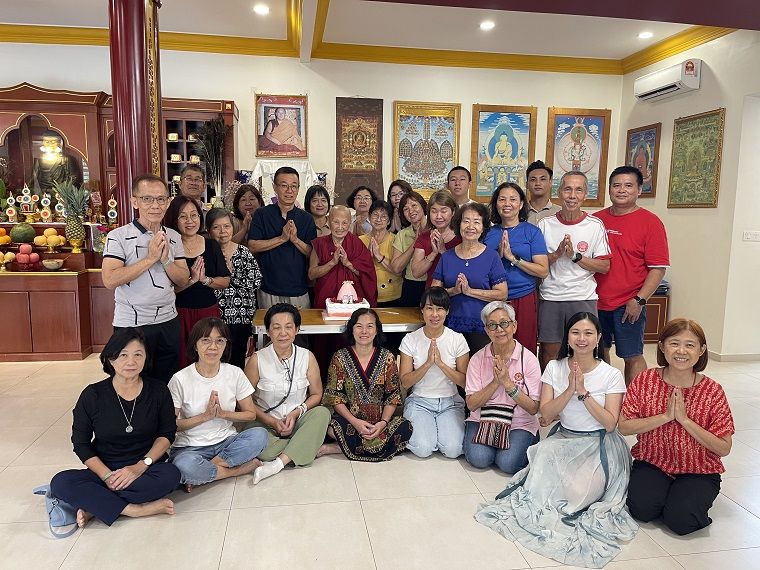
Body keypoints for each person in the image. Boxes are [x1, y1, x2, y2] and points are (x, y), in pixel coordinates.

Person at [474, 312, 636, 568]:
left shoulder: (611, 374)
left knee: (575, 498)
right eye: (575, 333)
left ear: (598, 338)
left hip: (598, 444)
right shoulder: (554, 367)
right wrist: (570, 389)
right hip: (563, 439)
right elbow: (546, 414)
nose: (581, 339)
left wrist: (583, 392)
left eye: (588, 333)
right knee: (538, 494)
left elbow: (609, 424)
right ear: (567, 338)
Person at [50, 328, 181, 528]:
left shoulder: (158, 390)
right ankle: (134, 510)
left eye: (138, 355)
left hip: (146, 467)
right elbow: (81, 444)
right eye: (123, 355)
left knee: (171, 475)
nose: (131, 361)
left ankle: (96, 505)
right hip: (104, 469)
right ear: (110, 359)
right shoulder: (92, 395)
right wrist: (107, 476)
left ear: (146, 358)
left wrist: (139, 467)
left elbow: (166, 434)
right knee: (60, 482)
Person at [619, 318, 734, 536]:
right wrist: (665, 416)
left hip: (699, 470)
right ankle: (669, 494)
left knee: (682, 522)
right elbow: (624, 427)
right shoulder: (645, 380)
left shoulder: (713, 391)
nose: (681, 351)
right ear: (662, 347)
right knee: (641, 510)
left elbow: (724, 447)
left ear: (701, 350)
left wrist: (685, 420)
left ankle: (680, 499)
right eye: (674, 343)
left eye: (690, 345)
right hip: (653, 462)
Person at [102, 174, 189, 384]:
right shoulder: (118, 236)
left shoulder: (174, 237)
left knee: (166, 381)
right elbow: (110, 279)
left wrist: (166, 260)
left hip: (168, 320)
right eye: (147, 199)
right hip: (132, 323)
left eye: (161, 199)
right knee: (131, 380)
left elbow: (183, 279)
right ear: (135, 201)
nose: (155, 205)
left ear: (168, 202)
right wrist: (150, 259)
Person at [168, 318, 268, 490]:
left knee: (260, 435)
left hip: (225, 442)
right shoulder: (180, 379)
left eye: (219, 341)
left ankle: (205, 472)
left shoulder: (235, 373)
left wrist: (222, 414)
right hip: (190, 447)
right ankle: (235, 471)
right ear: (195, 345)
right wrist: (205, 416)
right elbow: (172, 426)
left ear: (226, 345)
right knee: (183, 465)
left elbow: (250, 414)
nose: (213, 347)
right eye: (206, 340)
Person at [594, 166, 670, 384]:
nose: (621, 190)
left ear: (639, 190)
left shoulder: (650, 222)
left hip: (629, 303)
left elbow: (658, 268)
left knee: (632, 355)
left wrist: (640, 299)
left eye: (628, 185)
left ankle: (636, 400)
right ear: (609, 189)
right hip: (594, 300)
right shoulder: (596, 220)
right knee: (598, 352)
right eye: (616, 185)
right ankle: (605, 396)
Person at [243, 304, 331, 484]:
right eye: (276, 327)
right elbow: (244, 402)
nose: (283, 333)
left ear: (297, 329)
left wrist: (296, 412)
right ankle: (306, 445)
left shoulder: (307, 357)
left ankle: (277, 464)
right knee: (262, 448)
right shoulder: (257, 360)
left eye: (288, 327)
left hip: (297, 420)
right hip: (265, 422)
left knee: (322, 413)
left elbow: (316, 394)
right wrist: (272, 422)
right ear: (268, 331)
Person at [537, 171, 611, 369]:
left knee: (584, 351)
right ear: (559, 192)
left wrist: (576, 256)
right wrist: (557, 254)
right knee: (550, 352)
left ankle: (582, 387)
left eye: (578, 190)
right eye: (567, 189)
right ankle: (550, 388)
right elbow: (538, 264)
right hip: (551, 297)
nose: (572, 196)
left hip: (583, 297)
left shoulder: (595, 225)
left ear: (585, 194)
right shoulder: (545, 224)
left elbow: (604, 266)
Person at [321, 308, 413, 461]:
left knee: (405, 426)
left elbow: (392, 397)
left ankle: (338, 447)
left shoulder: (387, 357)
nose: (364, 331)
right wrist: (356, 423)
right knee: (329, 427)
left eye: (370, 326)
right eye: (359, 326)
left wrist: (382, 423)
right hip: (349, 423)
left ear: (377, 330)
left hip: (379, 425)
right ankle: (372, 447)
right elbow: (335, 398)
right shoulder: (340, 357)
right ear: (352, 329)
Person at [464, 302, 541, 473]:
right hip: (483, 419)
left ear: (514, 326)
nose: (499, 329)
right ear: (486, 330)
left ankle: (526, 441)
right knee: (479, 458)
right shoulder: (477, 359)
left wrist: (507, 383)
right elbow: (471, 404)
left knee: (508, 464)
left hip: (518, 422)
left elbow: (533, 408)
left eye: (504, 323)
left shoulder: (529, 359)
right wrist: (496, 382)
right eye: (492, 325)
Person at [399, 287, 469, 458]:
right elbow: (405, 382)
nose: (435, 314)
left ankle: (438, 432)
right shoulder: (410, 339)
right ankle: (430, 433)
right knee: (423, 449)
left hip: (450, 402)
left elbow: (465, 382)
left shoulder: (457, 339)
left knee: (453, 450)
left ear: (447, 311)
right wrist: (428, 363)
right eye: (429, 308)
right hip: (419, 402)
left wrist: (441, 364)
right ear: (422, 310)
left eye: (440, 309)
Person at [164, 196, 231, 368]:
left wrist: (204, 280)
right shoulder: (169, 247)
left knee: (209, 359)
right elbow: (167, 289)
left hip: (208, 313)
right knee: (182, 361)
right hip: (179, 314)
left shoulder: (211, 245)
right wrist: (191, 280)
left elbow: (225, 281)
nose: (190, 221)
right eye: (183, 216)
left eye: (194, 215)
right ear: (174, 219)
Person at [431, 202, 507, 353]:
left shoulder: (492, 256)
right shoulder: (447, 256)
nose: (471, 226)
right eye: (466, 221)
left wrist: (470, 291)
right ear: (458, 225)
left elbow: (502, 294)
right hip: (450, 326)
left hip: (483, 327)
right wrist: (454, 290)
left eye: (476, 222)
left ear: (483, 227)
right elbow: (433, 293)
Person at [484, 183, 549, 354]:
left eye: (513, 199)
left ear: (520, 205)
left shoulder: (532, 232)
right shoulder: (487, 233)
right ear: (496, 204)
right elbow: (480, 267)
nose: (507, 204)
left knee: (524, 348)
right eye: (502, 199)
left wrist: (513, 258)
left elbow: (543, 270)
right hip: (494, 299)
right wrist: (497, 256)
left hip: (523, 297)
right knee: (495, 349)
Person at [248, 166, 316, 309]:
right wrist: (281, 238)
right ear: (275, 187)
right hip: (268, 286)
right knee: (269, 323)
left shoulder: (306, 218)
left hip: (298, 287)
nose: (289, 191)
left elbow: (312, 253)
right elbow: (252, 246)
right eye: (284, 186)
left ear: (298, 189)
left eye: (294, 186)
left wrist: (295, 240)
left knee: (300, 323)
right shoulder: (262, 214)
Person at [206, 208, 261, 369]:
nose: (223, 231)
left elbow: (255, 282)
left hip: (241, 316)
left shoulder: (243, 252)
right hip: (214, 316)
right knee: (214, 360)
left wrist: (231, 277)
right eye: (216, 227)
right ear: (209, 230)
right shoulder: (206, 253)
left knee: (237, 361)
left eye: (227, 226)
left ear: (233, 228)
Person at [308, 205, 377, 309]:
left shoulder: (357, 244)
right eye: (336, 222)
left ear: (350, 224)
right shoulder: (319, 244)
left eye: (344, 223)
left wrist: (348, 264)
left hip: (352, 303)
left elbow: (368, 274)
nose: (340, 227)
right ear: (329, 222)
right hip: (325, 301)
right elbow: (311, 275)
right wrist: (332, 263)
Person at [411, 190, 461, 288]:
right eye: (434, 211)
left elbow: (464, 270)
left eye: (443, 211)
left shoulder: (461, 237)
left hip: (457, 292)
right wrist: (434, 253)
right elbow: (416, 273)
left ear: (453, 212)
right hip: (432, 293)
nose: (438, 216)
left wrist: (443, 251)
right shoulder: (424, 237)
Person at [360, 200, 402, 307]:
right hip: (366, 295)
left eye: (383, 216)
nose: (378, 219)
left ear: (388, 221)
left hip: (392, 296)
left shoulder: (396, 240)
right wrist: (368, 258)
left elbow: (399, 271)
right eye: (375, 215)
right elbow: (357, 270)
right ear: (369, 217)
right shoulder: (360, 240)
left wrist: (378, 256)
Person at [390, 190, 428, 307]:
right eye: (406, 209)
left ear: (423, 206)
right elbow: (396, 268)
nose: (411, 211)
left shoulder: (437, 230)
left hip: (433, 283)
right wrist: (415, 243)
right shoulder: (402, 234)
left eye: (414, 205)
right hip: (411, 285)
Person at [525, 160, 561, 224]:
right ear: (527, 184)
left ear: (550, 183)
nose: (538, 183)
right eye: (533, 180)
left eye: (542, 179)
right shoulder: (518, 212)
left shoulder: (560, 212)